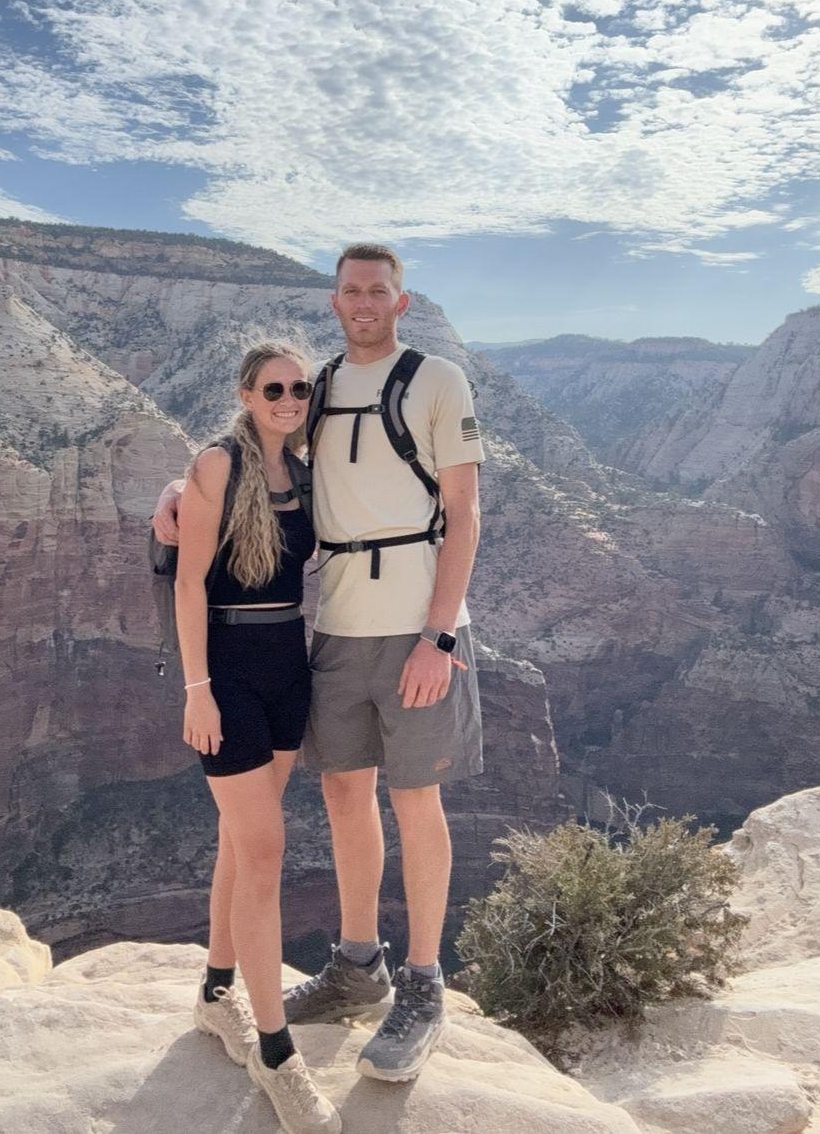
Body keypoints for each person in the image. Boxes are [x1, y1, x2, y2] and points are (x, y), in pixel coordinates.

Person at [156, 243, 485, 1085]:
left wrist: (438, 636)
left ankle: (421, 982)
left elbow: (464, 512)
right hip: (334, 630)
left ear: (399, 302)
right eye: (351, 291)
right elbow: (245, 459)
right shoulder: (325, 386)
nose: (364, 302)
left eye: (379, 291)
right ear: (335, 302)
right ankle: (356, 964)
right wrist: (177, 490)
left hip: (415, 626)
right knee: (345, 794)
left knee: (416, 800)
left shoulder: (437, 379)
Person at [173, 339, 341, 1134]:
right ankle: (275, 1052)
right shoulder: (216, 466)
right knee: (266, 849)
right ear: (246, 394)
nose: (287, 398)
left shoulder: (305, 473)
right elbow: (186, 580)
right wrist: (197, 690)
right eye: (273, 387)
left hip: (288, 663)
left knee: (242, 845)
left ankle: (215, 994)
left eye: (300, 388)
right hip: (229, 673)